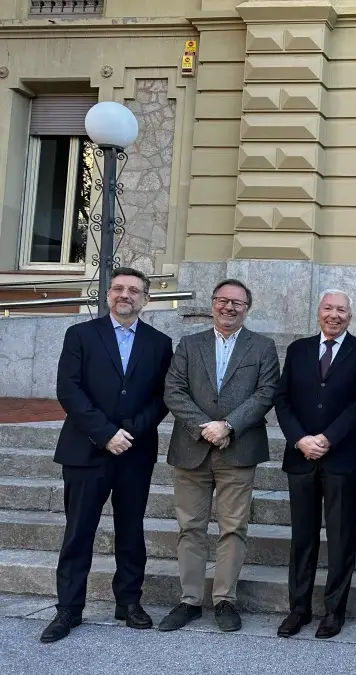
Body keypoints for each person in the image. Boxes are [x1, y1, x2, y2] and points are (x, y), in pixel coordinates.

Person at [40, 267, 174, 643]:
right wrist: (105, 433)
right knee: (78, 532)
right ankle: (68, 608)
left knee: (131, 531)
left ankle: (129, 602)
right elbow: (69, 390)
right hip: (86, 450)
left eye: (134, 290)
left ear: (145, 299)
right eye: (118, 288)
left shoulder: (160, 343)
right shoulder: (80, 334)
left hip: (134, 451)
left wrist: (128, 432)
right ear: (107, 295)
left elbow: (162, 397)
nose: (125, 295)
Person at [159, 278, 280, 633]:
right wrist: (204, 427)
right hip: (190, 450)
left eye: (237, 303)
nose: (229, 307)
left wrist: (227, 425)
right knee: (190, 528)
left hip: (238, 449)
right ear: (212, 303)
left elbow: (266, 392)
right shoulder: (189, 344)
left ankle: (225, 600)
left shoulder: (262, 347)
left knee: (233, 528)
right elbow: (174, 390)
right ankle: (190, 601)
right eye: (222, 300)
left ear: (247, 308)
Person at [273, 289, 356, 639]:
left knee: (341, 537)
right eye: (329, 308)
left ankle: (334, 611)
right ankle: (298, 609)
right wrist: (300, 439)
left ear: (351, 315)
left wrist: (327, 439)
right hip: (300, 456)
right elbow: (283, 399)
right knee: (302, 537)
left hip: (342, 458)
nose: (335, 315)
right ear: (318, 311)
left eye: (342, 310)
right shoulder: (298, 349)